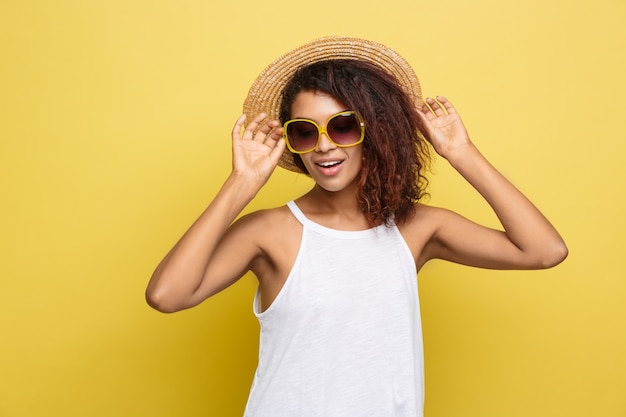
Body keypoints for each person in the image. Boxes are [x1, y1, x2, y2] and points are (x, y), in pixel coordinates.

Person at [146, 37, 567, 417]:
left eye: (342, 126)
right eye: (305, 133)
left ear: (375, 131)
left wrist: (462, 153)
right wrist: (241, 185)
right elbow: (167, 295)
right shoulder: (269, 232)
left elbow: (544, 251)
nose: (325, 145)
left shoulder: (417, 227)